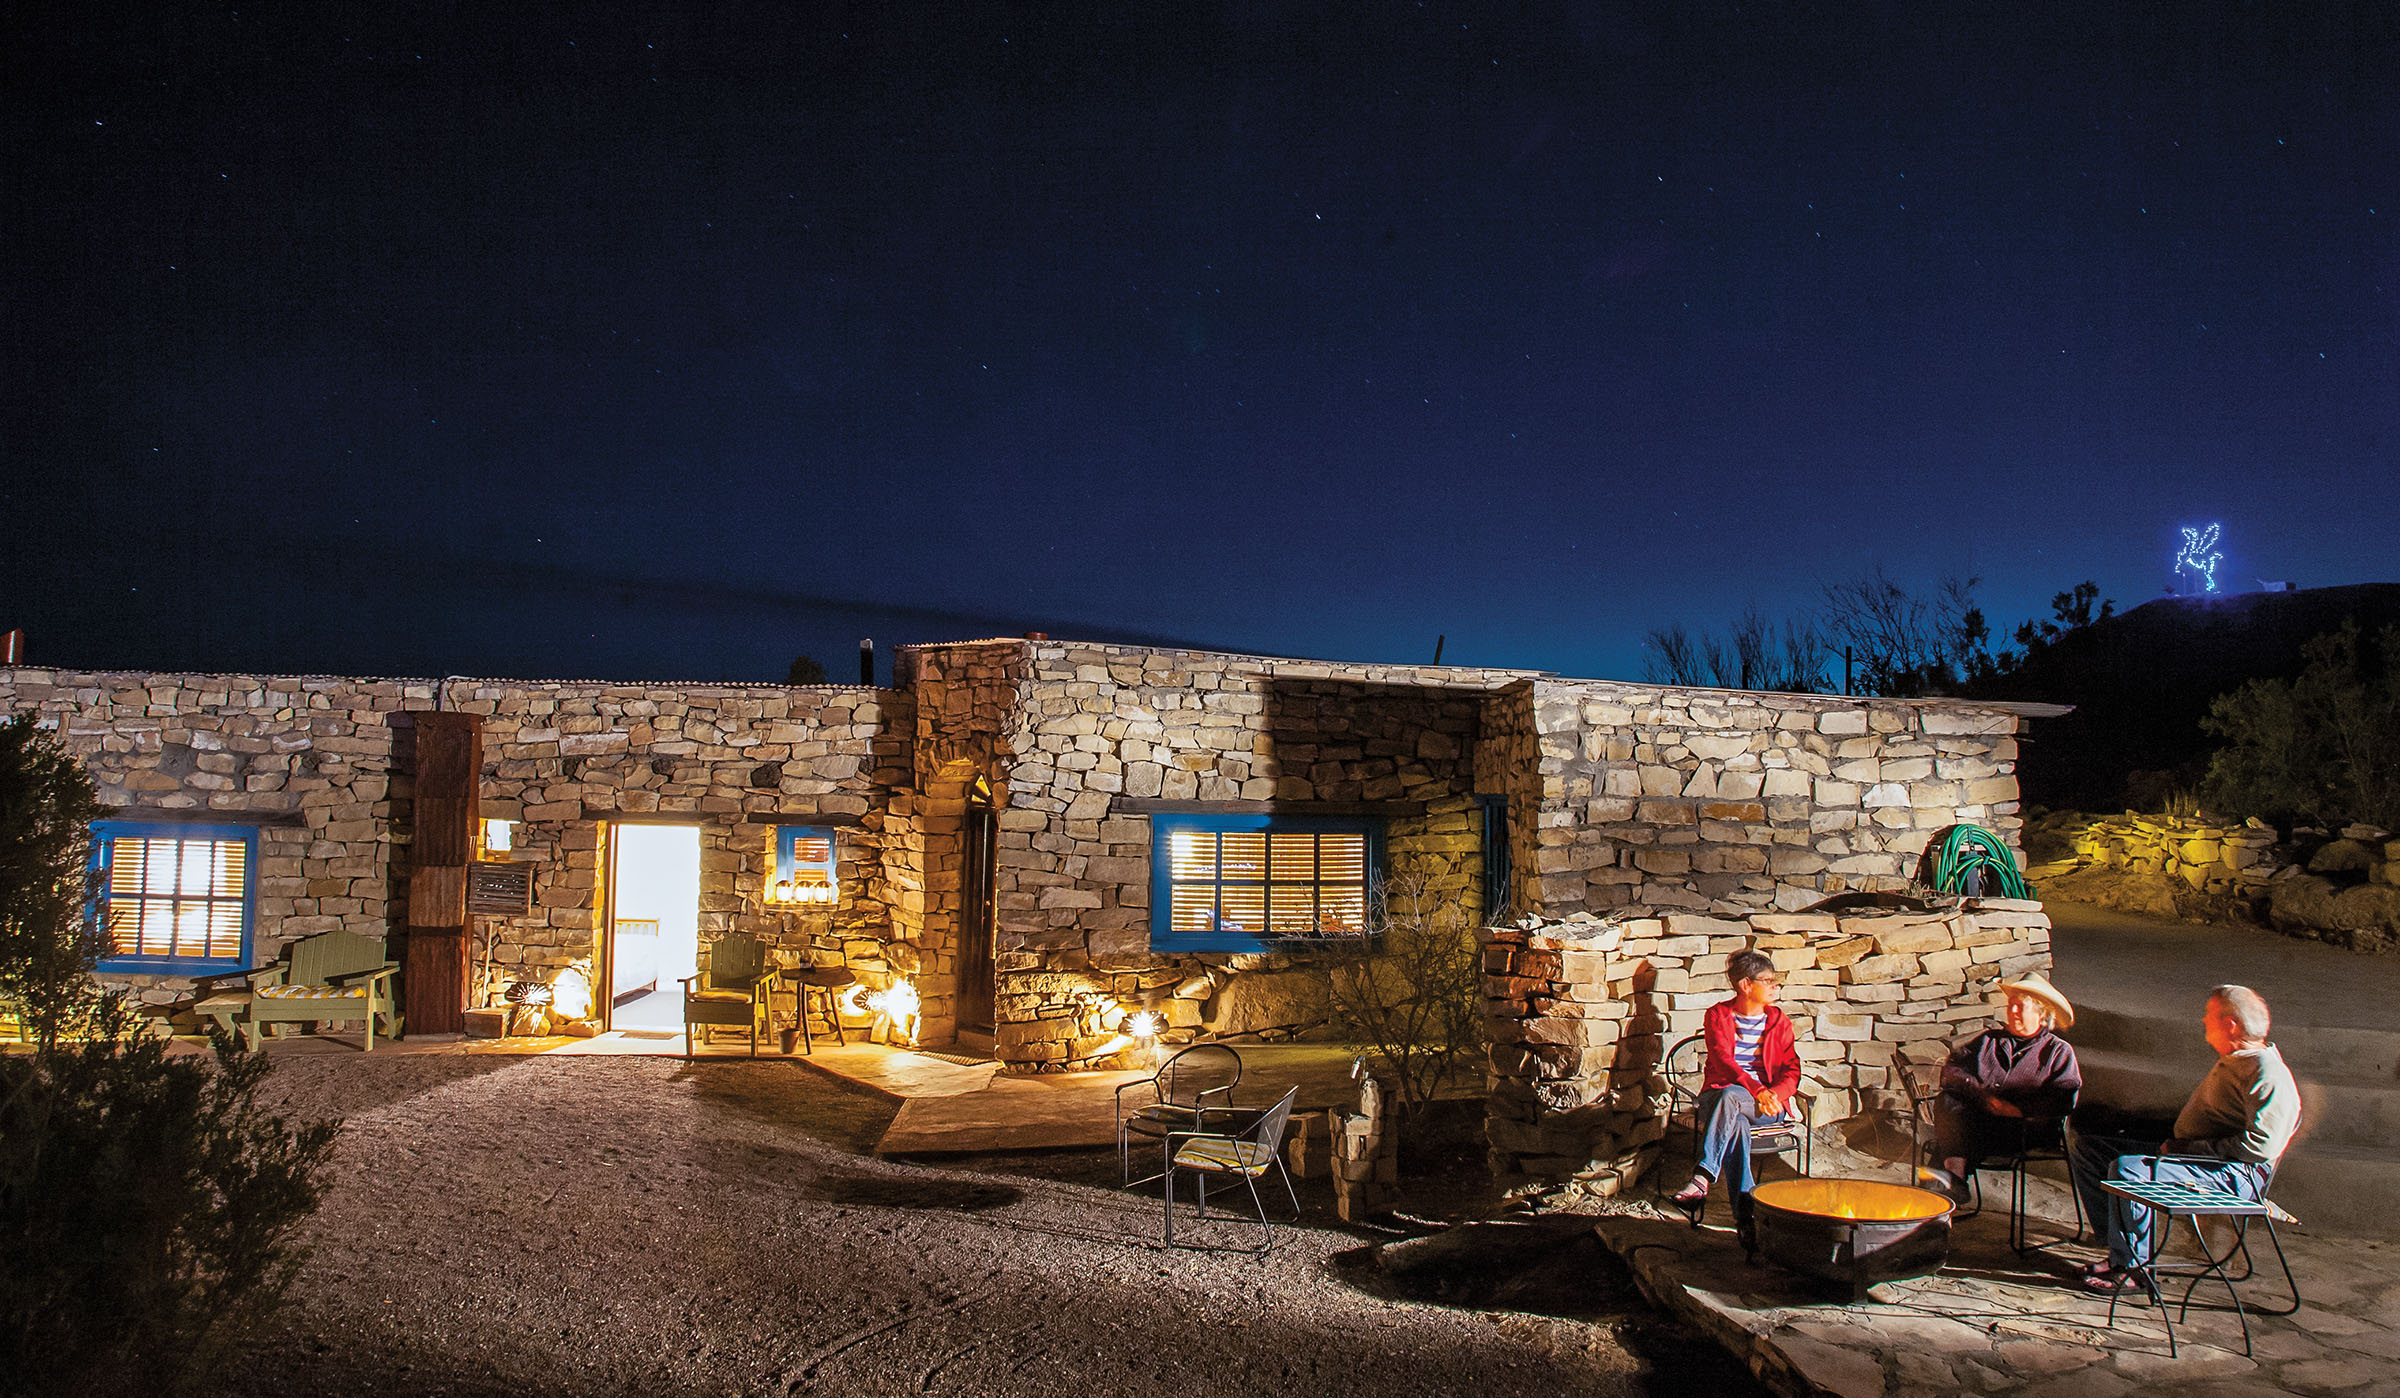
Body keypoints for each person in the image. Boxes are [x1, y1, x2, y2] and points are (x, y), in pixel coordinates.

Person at [2066, 985, 2301, 1292]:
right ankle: (2119, 1250)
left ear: (2230, 1025)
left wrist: (2190, 1148)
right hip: (2198, 1158)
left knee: (2128, 1171)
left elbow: (2260, 1147)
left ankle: (2133, 1269)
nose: (2204, 1020)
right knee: (2092, 1149)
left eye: (2209, 1015)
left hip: (2231, 1174)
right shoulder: (2238, 1059)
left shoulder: (2266, 1072)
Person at [1918, 973, 2083, 1203]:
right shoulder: (1989, 1041)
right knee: (1949, 1101)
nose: (2012, 1011)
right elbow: (1953, 1071)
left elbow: (2064, 1097)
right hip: (1980, 1122)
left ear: (2041, 1013)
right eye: (2011, 1006)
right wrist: (1982, 1094)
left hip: (2024, 1131)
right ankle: (1951, 1181)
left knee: (1957, 1135)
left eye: (2020, 1007)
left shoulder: (2057, 1052)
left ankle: (1944, 1186)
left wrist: (2017, 1109)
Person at [1670, 950, 1802, 1217]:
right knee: (1735, 1116)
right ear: (1746, 985)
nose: (1774, 986)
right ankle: (1746, 1220)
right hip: (1720, 1100)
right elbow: (1723, 1062)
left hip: (1766, 1107)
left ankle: (1702, 1176)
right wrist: (1758, 1090)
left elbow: (1792, 1070)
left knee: (1734, 1103)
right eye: (1768, 980)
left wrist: (1773, 1094)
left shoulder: (1779, 1021)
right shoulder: (1718, 1016)